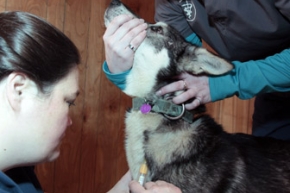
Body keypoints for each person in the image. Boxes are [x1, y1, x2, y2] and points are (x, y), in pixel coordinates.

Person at [0, 11, 180, 193]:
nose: (70, 121)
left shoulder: (18, 174)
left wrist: (131, 180)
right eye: (68, 101)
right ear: (19, 90)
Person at [103, 1, 290, 141]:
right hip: (272, 94)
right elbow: (176, 67)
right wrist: (122, 73)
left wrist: (229, 81)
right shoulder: (171, 3)